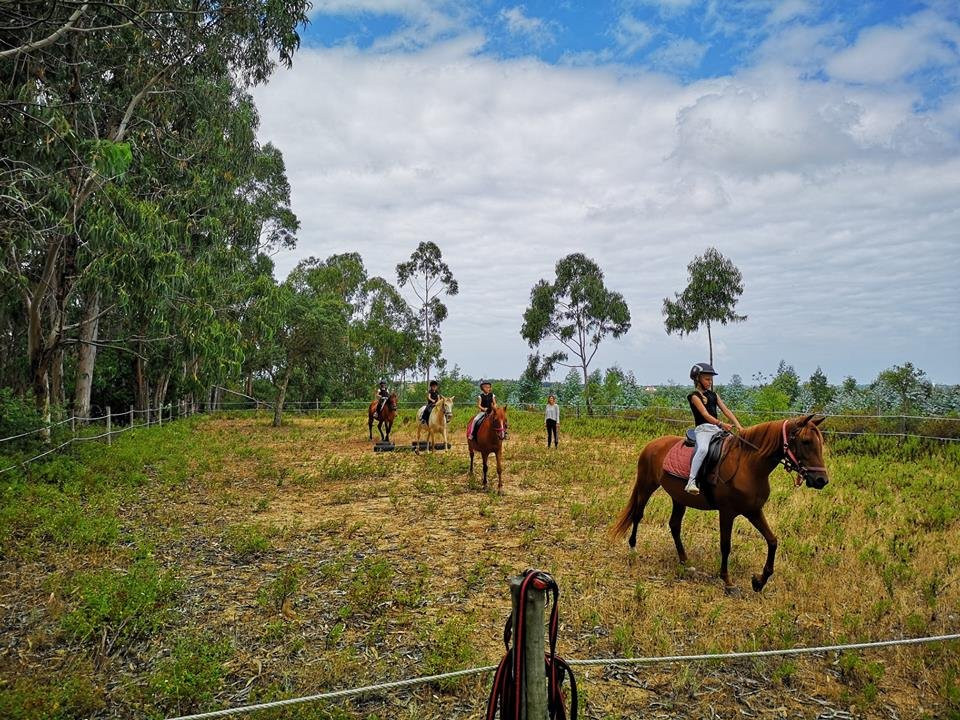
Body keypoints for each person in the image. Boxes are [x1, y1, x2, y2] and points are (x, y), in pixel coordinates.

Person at [685, 363, 743, 495]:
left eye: (711, 379)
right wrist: (721, 424)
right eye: (707, 379)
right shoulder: (694, 396)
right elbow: (705, 414)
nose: (710, 382)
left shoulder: (714, 395)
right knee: (703, 449)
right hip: (703, 429)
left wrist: (739, 426)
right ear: (697, 379)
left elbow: (726, 410)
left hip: (716, 429)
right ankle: (691, 481)